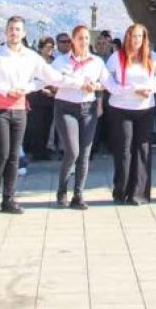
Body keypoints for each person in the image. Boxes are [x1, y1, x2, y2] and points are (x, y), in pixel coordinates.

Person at [0, 17, 76, 214]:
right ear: (6, 32)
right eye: (11, 29)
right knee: (1, 153)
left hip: (20, 108)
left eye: (18, 29)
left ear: (23, 33)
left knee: (14, 155)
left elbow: (48, 77)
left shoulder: (31, 57)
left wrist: (30, 87)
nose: (14, 32)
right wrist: (4, 89)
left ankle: (9, 198)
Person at [103, 23, 156, 205]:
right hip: (121, 108)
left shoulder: (152, 57)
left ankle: (139, 194)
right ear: (127, 37)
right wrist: (127, 89)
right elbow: (107, 80)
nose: (136, 40)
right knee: (124, 150)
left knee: (142, 149)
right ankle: (121, 191)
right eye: (133, 36)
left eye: (140, 36)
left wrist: (151, 88)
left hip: (144, 109)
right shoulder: (116, 57)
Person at [50, 24, 109, 208]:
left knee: (85, 153)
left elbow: (107, 83)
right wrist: (77, 84)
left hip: (87, 108)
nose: (83, 42)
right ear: (73, 41)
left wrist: (96, 87)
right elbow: (54, 80)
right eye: (79, 38)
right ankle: (62, 190)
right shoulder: (61, 62)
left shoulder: (96, 61)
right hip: (66, 107)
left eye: (86, 38)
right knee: (72, 151)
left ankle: (78, 194)